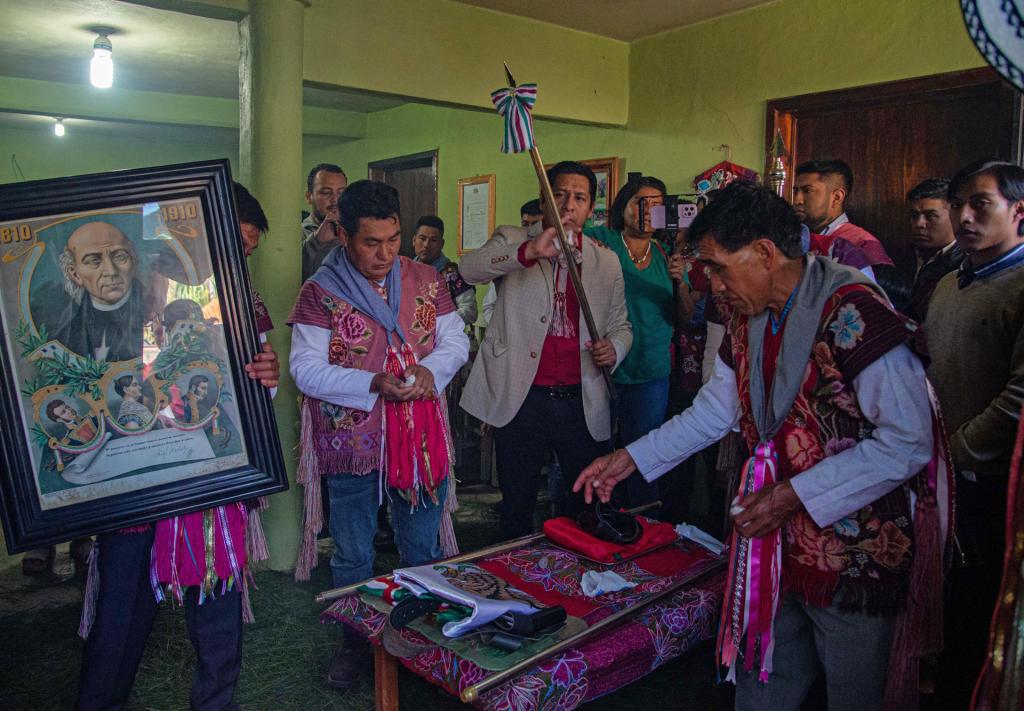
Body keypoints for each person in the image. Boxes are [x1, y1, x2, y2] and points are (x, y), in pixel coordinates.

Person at [574, 181, 946, 711]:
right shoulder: (747, 316)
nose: (712, 284)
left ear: (766, 253)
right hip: (772, 540)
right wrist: (629, 458)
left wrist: (793, 494)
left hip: (852, 551)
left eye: (720, 267)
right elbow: (716, 411)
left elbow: (908, 442)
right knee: (762, 682)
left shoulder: (854, 312)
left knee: (857, 693)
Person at [76, 182, 280, 711]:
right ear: (191, 231)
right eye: (231, 246)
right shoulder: (120, 290)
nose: (236, 260)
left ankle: (216, 703)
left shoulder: (242, 303)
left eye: (247, 252)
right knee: (121, 604)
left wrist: (266, 377)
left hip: (209, 478)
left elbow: (252, 393)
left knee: (216, 603)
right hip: (136, 477)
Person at [289, 180, 469, 690]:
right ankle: (357, 642)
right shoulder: (320, 291)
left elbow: (454, 337)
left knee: (421, 540)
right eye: (371, 242)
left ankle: (424, 637)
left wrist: (433, 370)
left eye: (393, 240)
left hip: (419, 430)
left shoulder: (427, 277)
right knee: (352, 551)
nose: (385, 253)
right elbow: (304, 368)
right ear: (343, 235)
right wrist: (371, 382)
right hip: (353, 437)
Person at [460, 161, 632, 539]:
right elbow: (468, 269)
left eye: (580, 197)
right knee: (517, 501)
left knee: (582, 503)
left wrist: (615, 348)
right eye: (560, 194)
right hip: (522, 399)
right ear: (544, 198)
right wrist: (528, 250)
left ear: (591, 208)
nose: (569, 204)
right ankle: (514, 582)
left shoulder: (606, 259)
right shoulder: (512, 237)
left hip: (582, 399)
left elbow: (622, 324)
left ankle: (572, 579)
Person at [925, 159, 1024, 708]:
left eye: (980, 203)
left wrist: (959, 450)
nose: (964, 216)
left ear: (1019, 210)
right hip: (936, 469)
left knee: (978, 610)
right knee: (943, 600)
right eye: (959, 203)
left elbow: (1019, 397)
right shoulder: (947, 282)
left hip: (987, 479)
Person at [583, 175, 674, 507]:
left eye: (657, 206)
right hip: (601, 366)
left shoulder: (667, 254)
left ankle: (643, 525)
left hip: (650, 369)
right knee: (592, 449)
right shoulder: (600, 240)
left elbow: (683, 313)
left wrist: (681, 282)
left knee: (644, 454)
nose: (648, 212)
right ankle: (585, 519)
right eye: (641, 202)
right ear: (623, 205)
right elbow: (567, 249)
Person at [54, 221, 150, 363]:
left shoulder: (152, 312)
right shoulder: (68, 335)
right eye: (94, 261)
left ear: (133, 261)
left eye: (119, 257)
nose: (111, 271)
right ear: (75, 274)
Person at [793, 158, 894, 270]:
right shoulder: (795, 238)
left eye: (807, 191)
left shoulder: (862, 243)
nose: (797, 200)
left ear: (836, 197)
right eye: (795, 191)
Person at [905, 177, 964, 322]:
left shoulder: (966, 264)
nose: (919, 224)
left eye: (930, 216)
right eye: (914, 216)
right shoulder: (898, 257)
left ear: (954, 216)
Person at [481, 200, 546, 327]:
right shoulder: (510, 259)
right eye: (525, 224)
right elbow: (489, 307)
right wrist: (505, 328)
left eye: (536, 225)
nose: (530, 231)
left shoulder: (557, 262)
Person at [412, 215, 477, 326]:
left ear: (442, 244)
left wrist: (435, 323)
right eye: (422, 238)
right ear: (414, 240)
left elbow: (470, 312)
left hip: (443, 338)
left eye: (433, 240)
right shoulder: (404, 271)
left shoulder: (453, 274)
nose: (426, 245)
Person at [301, 162, 348, 282]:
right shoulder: (297, 234)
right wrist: (316, 242)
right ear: (309, 197)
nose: (335, 199)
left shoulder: (354, 231)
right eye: (326, 192)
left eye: (341, 193)